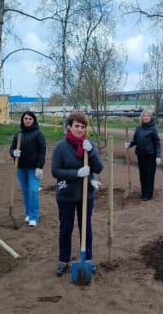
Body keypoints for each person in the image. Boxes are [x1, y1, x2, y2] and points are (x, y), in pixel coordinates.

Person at [51, 112, 103, 277]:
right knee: (66, 227)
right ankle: (64, 260)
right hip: (66, 194)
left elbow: (98, 168)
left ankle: (87, 259)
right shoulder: (60, 147)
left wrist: (92, 152)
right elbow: (55, 171)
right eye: (77, 126)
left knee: (85, 227)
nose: (80, 130)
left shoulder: (88, 145)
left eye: (82, 126)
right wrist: (76, 173)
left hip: (85, 194)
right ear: (69, 127)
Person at [10, 111, 46, 227]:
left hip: (34, 169)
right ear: (22, 120)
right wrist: (13, 153)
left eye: (30, 118)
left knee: (33, 190)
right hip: (21, 168)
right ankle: (28, 213)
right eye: (26, 118)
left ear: (33, 120)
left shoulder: (38, 134)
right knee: (25, 191)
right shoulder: (18, 135)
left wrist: (40, 167)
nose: (28, 120)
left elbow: (42, 151)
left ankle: (34, 216)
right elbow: (12, 149)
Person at [124, 110, 162, 201]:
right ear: (141, 117)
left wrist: (158, 156)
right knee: (142, 175)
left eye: (148, 116)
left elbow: (157, 143)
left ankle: (149, 194)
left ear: (150, 117)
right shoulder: (138, 128)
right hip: (140, 155)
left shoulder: (153, 129)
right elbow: (135, 140)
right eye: (144, 116)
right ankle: (144, 192)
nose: (146, 117)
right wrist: (129, 144)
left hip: (151, 155)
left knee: (149, 175)